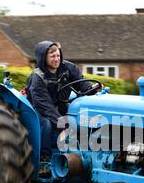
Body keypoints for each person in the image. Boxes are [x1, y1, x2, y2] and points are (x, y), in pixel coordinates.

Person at [26, 41, 100, 175]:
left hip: (60, 106)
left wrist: (91, 89)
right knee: (47, 124)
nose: (56, 59)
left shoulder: (68, 68)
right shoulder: (37, 78)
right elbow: (45, 106)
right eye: (52, 56)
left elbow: (81, 84)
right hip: (39, 111)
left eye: (58, 56)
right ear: (43, 58)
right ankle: (44, 161)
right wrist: (62, 123)